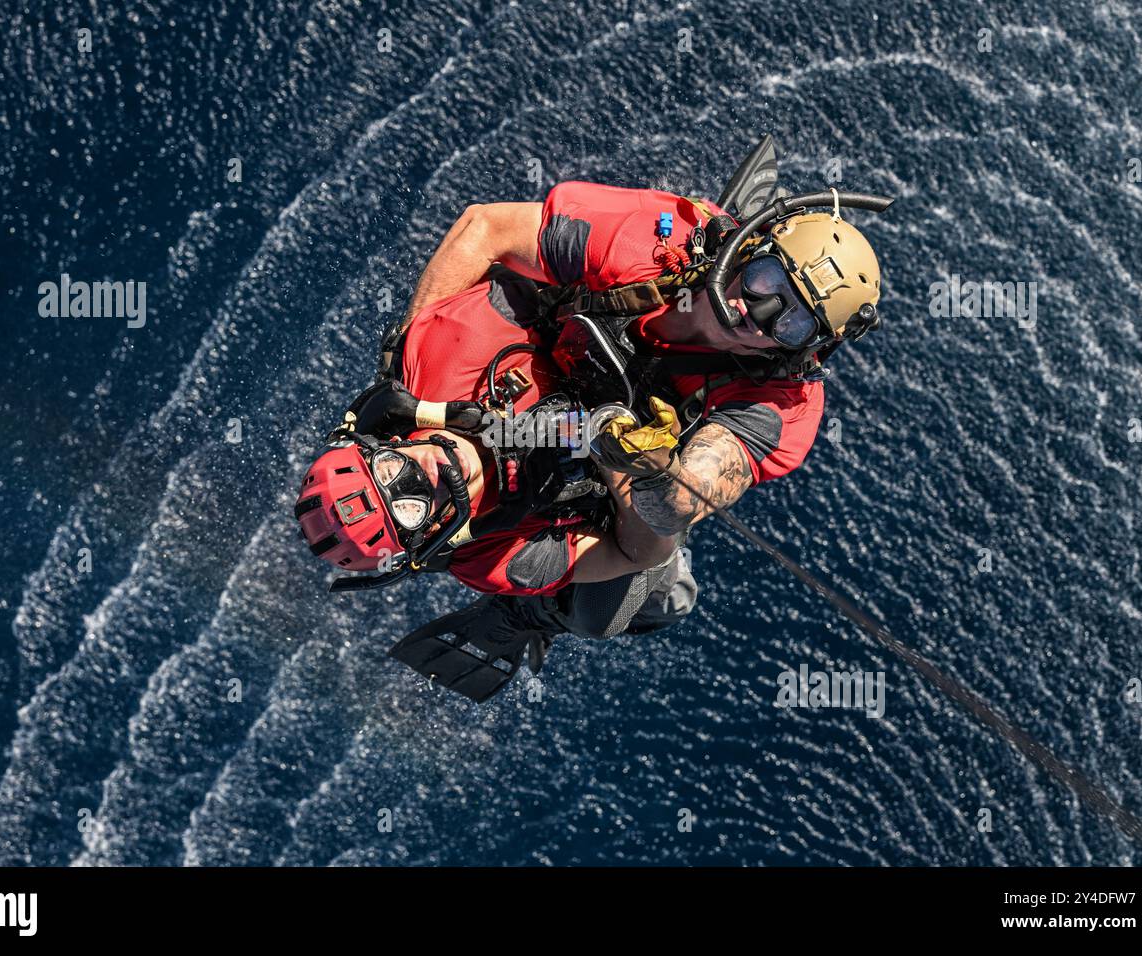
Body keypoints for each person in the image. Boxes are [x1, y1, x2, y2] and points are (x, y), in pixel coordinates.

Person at [297, 137, 892, 700]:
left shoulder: (778, 403)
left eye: (788, 320)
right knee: (652, 599)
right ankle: (539, 609)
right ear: (431, 534)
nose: (754, 309)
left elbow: (486, 228)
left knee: (644, 585)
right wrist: (621, 465)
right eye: (763, 283)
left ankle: (537, 602)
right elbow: (649, 538)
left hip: (639, 411)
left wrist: (408, 344)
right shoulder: (495, 553)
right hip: (611, 459)